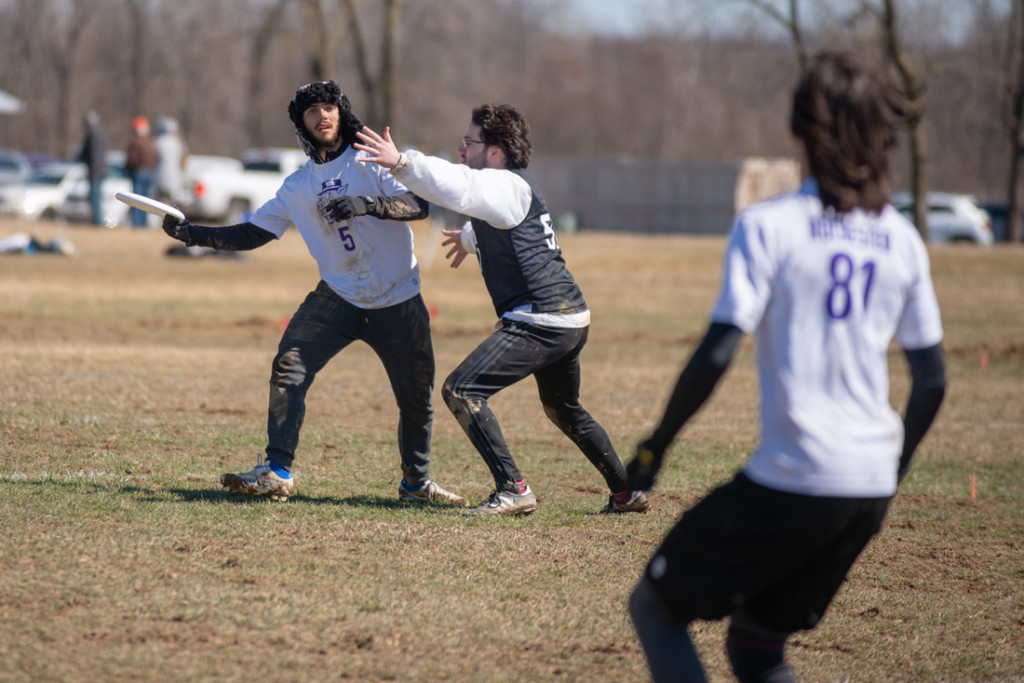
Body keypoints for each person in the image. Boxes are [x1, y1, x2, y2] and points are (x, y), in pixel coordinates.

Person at [623, 51, 948, 682]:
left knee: (655, 608)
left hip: (796, 479)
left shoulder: (769, 226)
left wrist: (656, 447)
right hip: (870, 488)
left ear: (798, 130)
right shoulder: (903, 238)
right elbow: (932, 380)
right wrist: (890, 467)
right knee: (756, 644)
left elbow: (718, 350)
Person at [160, 80, 466, 507]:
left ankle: (416, 486)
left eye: (329, 107)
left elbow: (418, 205)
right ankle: (276, 472)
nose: (323, 116)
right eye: (312, 111)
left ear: (341, 113)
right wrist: (192, 234)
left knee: (416, 396)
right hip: (338, 298)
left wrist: (366, 204)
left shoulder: (371, 162)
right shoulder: (298, 185)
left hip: (399, 298)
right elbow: (251, 233)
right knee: (288, 368)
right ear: (300, 123)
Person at [354, 104, 649, 517]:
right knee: (563, 409)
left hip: (541, 320)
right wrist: (471, 238)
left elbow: (461, 188)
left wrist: (404, 163)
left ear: (495, 152)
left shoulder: (503, 185)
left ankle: (514, 489)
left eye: (469, 142)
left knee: (462, 390)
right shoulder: (511, 190)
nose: (461, 149)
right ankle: (626, 493)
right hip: (568, 317)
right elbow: (502, 220)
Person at [124, 116, 158, 227]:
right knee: (146, 200)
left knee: (137, 200)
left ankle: (137, 224)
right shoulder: (150, 141)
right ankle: (144, 223)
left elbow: (132, 160)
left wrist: (127, 169)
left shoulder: (135, 142)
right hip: (150, 173)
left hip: (139, 173)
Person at [77, 110, 108, 226]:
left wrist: (92, 172)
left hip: (95, 172)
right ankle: (97, 220)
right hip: (101, 171)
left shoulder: (92, 136)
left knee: (95, 198)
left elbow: (93, 156)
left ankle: (97, 221)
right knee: (97, 197)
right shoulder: (100, 135)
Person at [153, 116, 187, 204]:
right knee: (173, 204)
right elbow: (184, 161)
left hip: (159, 177)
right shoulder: (178, 143)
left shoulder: (157, 142)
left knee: (158, 203)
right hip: (174, 178)